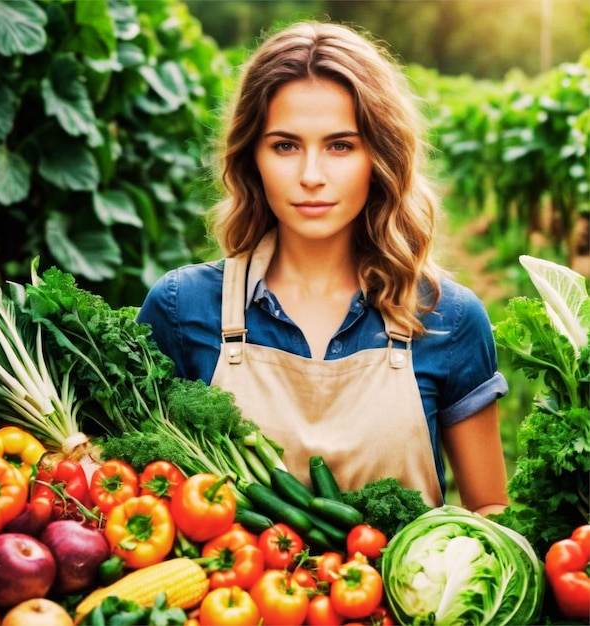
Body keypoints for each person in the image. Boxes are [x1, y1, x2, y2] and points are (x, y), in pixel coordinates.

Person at [137, 21, 509, 516]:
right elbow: (133, 495)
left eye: (340, 146)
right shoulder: (183, 309)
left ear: (380, 157)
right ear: (253, 158)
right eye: (285, 146)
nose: (311, 176)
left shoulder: (449, 318)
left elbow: (490, 514)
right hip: (234, 591)